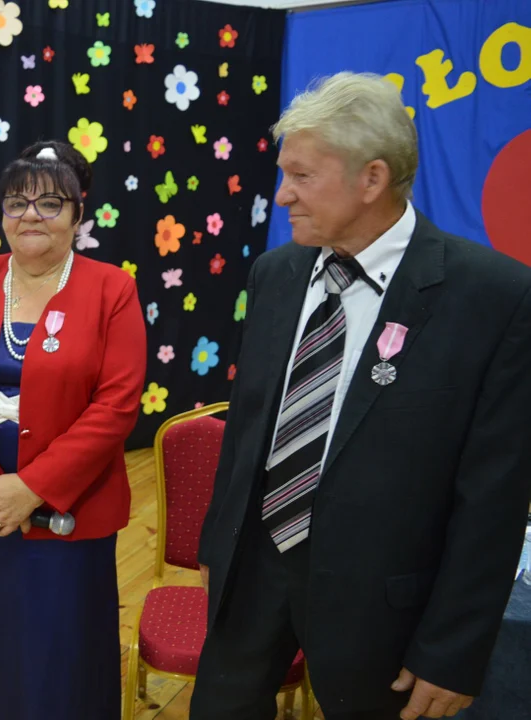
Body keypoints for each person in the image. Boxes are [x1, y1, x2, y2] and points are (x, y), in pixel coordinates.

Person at [193, 72, 531, 720]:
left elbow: (492, 495)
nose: (282, 193)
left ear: (370, 179)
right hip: (255, 570)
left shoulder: (494, 298)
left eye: (300, 176)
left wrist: (452, 650)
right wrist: (218, 547)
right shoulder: (276, 272)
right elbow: (248, 428)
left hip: (382, 600)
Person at [0, 140, 146, 720]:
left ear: (77, 214)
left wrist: (33, 487)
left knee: (65, 649)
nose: (30, 217)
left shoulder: (111, 288)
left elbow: (116, 406)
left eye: (49, 203)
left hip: (72, 505)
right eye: (16, 204)